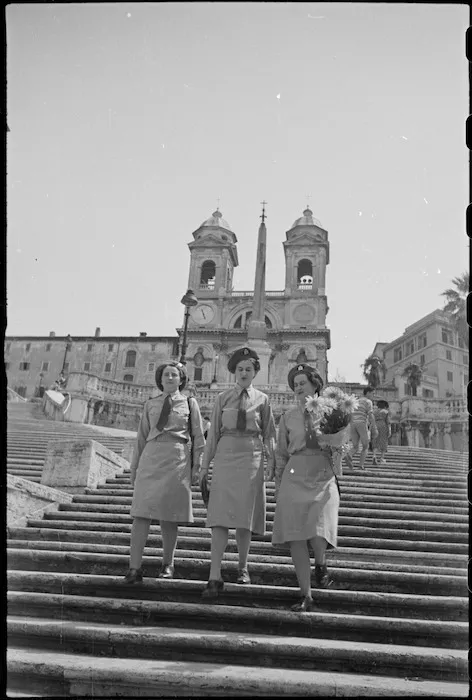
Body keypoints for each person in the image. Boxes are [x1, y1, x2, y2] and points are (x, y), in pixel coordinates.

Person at [199, 347, 276, 600]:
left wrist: (272, 463)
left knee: (245, 517)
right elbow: (213, 437)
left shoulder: (263, 400)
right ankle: (214, 573)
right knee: (219, 517)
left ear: (255, 372)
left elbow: (269, 435)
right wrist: (204, 467)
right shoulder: (222, 399)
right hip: (226, 456)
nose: (244, 373)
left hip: (252, 458)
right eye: (240, 369)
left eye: (249, 369)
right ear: (234, 371)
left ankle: (243, 568)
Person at [122, 361, 205, 583]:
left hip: (176, 459)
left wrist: (197, 466)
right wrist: (135, 468)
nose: (169, 378)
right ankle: (134, 567)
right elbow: (141, 437)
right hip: (151, 457)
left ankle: (168, 564)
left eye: (174, 375)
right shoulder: (150, 404)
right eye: (166, 375)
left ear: (181, 379)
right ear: (160, 379)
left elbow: (198, 437)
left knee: (170, 516)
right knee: (140, 513)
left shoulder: (189, 403)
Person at [272, 364, 340, 612]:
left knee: (319, 523)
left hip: (322, 471)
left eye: (303, 383)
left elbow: (342, 446)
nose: (299, 388)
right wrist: (278, 486)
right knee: (295, 536)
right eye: (295, 384)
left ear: (315, 385)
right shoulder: (287, 417)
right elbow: (281, 454)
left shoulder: (333, 412)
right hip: (295, 471)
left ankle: (320, 563)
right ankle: (306, 594)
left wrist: (340, 449)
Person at [344, 386, 378, 470]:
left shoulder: (356, 401)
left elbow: (349, 413)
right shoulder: (368, 401)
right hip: (362, 423)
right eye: (373, 394)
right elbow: (370, 414)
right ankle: (361, 465)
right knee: (365, 446)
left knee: (355, 446)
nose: (373, 396)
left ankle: (349, 455)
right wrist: (374, 427)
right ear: (368, 393)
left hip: (353, 424)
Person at [372, 400, 391, 465]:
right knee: (384, 441)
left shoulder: (374, 412)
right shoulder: (386, 412)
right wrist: (389, 430)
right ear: (385, 406)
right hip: (383, 425)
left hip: (375, 425)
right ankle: (382, 458)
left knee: (375, 441)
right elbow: (388, 422)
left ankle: (374, 456)